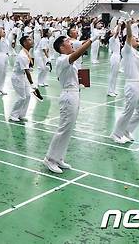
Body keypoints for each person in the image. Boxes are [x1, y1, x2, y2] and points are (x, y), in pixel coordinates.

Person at [43, 31, 94, 174]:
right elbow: (77, 53)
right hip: (68, 96)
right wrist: (91, 40)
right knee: (63, 128)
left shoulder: (69, 60)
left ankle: (59, 157)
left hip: (75, 93)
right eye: (67, 41)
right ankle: (50, 159)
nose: (71, 42)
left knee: (69, 129)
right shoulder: (62, 59)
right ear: (61, 47)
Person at [110, 18, 139, 144]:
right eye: (135, 38)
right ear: (128, 40)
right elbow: (129, 35)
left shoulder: (136, 52)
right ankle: (116, 134)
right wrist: (128, 24)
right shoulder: (127, 50)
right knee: (128, 111)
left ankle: (127, 130)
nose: (137, 39)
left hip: (138, 84)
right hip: (131, 84)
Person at [9, 35, 37, 123]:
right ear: (24, 43)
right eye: (29, 40)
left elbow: (28, 68)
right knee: (22, 97)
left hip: (22, 75)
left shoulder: (27, 53)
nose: (31, 41)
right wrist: (32, 83)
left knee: (28, 96)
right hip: (17, 77)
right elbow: (27, 71)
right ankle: (13, 115)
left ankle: (21, 114)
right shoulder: (22, 55)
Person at [0, 27, 11, 95]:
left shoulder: (6, 40)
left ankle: (1, 88)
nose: (4, 33)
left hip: (6, 57)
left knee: (4, 74)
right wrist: (0, 28)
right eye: (3, 32)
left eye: (4, 32)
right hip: (0, 56)